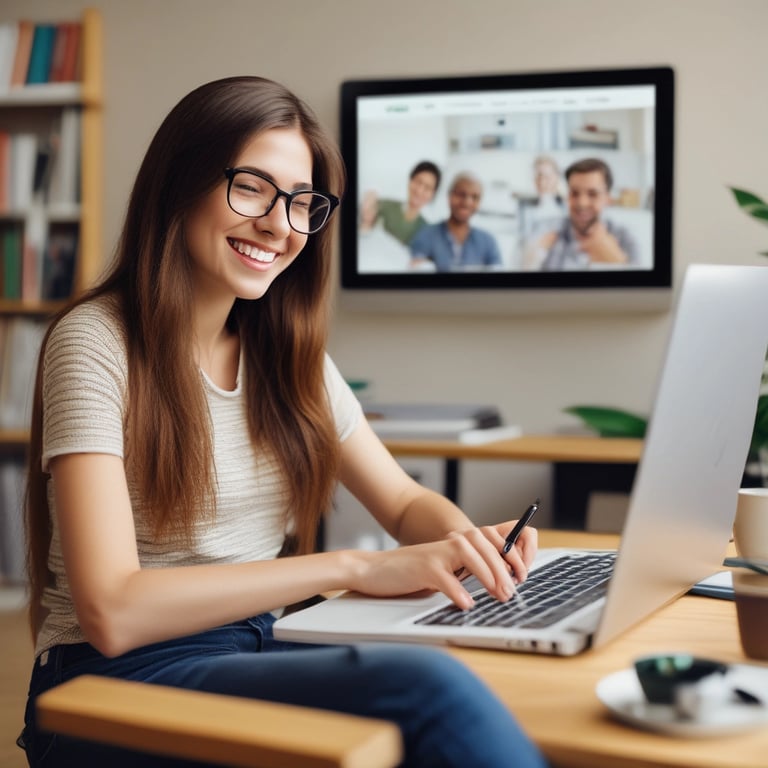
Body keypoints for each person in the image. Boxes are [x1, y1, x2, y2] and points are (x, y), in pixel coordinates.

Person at [19, 76, 547, 768]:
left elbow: (404, 500)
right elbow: (113, 610)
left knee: (499, 675)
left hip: (263, 640)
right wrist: (357, 567)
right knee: (427, 690)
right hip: (113, 680)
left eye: (302, 203)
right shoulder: (96, 342)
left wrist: (471, 547)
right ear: (179, 185)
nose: (280, 224)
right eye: (252, 188)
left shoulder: (286, 354)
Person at [530, 157, 638, 270]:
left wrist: (619, 264)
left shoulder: (626, 239)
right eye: (575, 193)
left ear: (608, 199)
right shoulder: (550, 235)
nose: (582, 203)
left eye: (593, 194)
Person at [409, 172, 502, 271]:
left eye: (475, 197)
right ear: (450, 196)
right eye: (461, 194)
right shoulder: (426, 235)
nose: (467, 202)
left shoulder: (488, 242)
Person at [359, 160, 441, 245]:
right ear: (410, 181)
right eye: (418, 182)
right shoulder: (384, 206)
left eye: (427, 188)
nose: (419, 191)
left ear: (433, 194)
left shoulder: (427, 230)